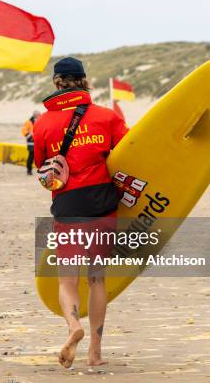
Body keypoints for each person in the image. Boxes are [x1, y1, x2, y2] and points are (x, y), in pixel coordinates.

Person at [33, 57, 128, 368]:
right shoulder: (106, 117)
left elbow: (43, 168)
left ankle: (74, 327)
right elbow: (129, 152)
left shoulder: (43, 123)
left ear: (57, 83)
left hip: (68, 206)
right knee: (97, 279)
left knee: (67, 281)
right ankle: (95, 355)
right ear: (85, 81)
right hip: (102, 202)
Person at [21, 110, 41, 175]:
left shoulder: (41, 121)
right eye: (39, 115)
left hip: (39, 142)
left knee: (40, 156)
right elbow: (24, 131)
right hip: (31, 143)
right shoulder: (28, 122)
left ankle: (41, 169)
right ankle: (29, 170)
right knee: (31, 156)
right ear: (35, 115)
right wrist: (29, 135)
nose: (40, 116)